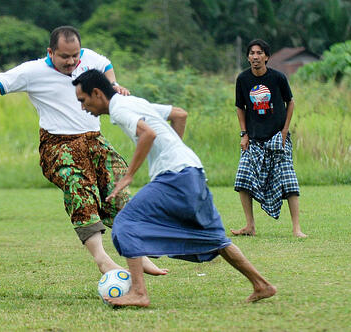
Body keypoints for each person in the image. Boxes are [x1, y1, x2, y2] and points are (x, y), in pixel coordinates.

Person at [0, 26, 167, 276]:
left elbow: (106, 66)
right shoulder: (32, 71)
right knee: (79, 188)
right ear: (50, 52)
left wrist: (114, 85)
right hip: (58, 144)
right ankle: (102, 259)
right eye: (64, 56)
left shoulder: (90, 58)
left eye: (75, 56)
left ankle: (136, 255)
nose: (72, 61)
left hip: (95, 141)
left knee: (118, 190)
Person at [72, 69, 277, 307]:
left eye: (83, 100)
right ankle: (262, 285)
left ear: (97, 93)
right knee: (215, 238)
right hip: (193, 171)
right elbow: (180, 115)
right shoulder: (134, 101)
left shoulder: (119, 108)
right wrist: (175, 150)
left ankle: (139, 293)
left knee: (126, 224)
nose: (83, 107)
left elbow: (147, 134)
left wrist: (128, 176)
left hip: (175, 176)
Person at [231, 39, 307, 238]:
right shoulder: (243, 79)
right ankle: (250, 226)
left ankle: (296, 228)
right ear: (248, 57)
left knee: (288, 180)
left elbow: (290, 102)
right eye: (252, 53)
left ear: (266, 57)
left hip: (277, 137)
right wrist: (244, 133)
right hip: (254, 138)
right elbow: (240, 107)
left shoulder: (278, 78)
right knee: (243, 177)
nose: (255, 57)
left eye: (259, 53)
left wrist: (284, 131)